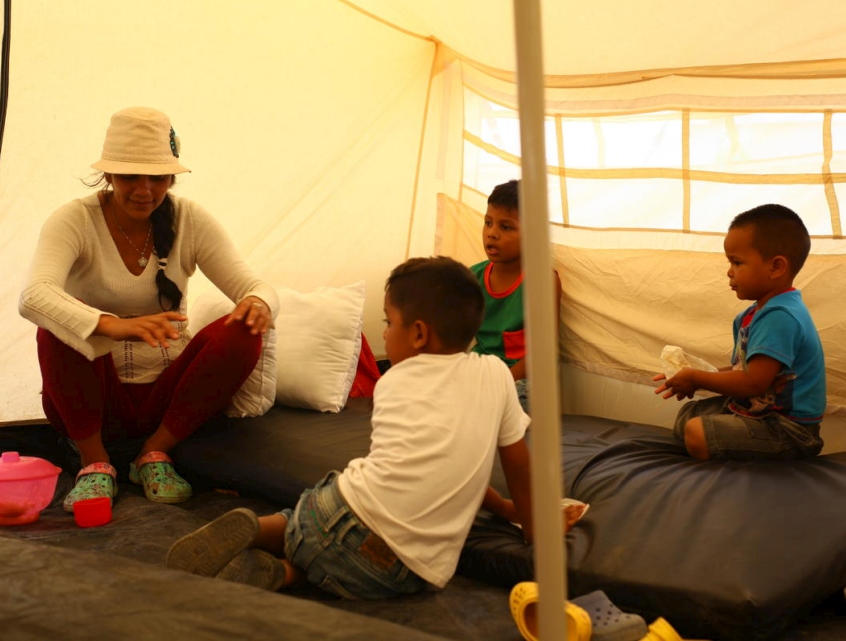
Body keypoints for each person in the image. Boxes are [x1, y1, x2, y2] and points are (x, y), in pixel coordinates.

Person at [167, 256, 563, 598]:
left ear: (419, 333)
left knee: (325, 508)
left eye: (388, 323)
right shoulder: (497, 376)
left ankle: (260, 529)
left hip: (331, 513)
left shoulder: (393, 383)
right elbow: (511, 468)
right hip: (402, 566)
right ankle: (287, 576)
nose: (385, 334)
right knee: (351, 574)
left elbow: (419, 464)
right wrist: (529, 527)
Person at [19, 107, 279, 511]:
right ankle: (94, 463)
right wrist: (114, 326)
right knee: (59, 319)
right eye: (130, 176)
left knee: (244, 326)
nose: (144, 190)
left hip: (166, 403)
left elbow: (255, 286)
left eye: (157, 177)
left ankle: (154, 456)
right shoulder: (74, 219)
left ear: (171, 177)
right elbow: (34, 295)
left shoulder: (190, 219)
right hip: (93, 402)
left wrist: (258, 302)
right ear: (108, 175)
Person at [653, 204, 826, 461]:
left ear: (776, 267)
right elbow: (743, 372)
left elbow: (753, 383)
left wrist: (698, 379)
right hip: (758, 410)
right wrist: (692, 374)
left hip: (789, 430)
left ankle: (736, 477)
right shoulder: (751, 315)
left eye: (737, 262)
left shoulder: (781, 316)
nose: (729, 272)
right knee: (689, 415)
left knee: (697, 431)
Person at [471, 179, 561, 411]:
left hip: (521, 381)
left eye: (506, 227)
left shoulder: (542, 281)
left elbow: (542, 354)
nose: (492, 234)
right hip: (477, 372)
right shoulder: (473, 277)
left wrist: (499, 384)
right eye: (488, 223)